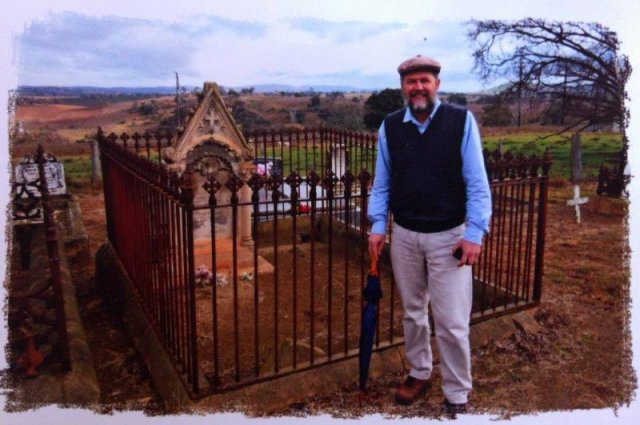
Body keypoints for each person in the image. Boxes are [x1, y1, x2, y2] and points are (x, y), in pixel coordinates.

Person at [367, 55, 491, 413]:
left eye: (424, 80)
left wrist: (475, 232)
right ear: (402, 87)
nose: (418, 87)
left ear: (437, 84)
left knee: (451, 321)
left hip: (449, 237)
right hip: (404, 235)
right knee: (413, 313)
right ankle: (419, 371)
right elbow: (382, 182)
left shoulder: (460, 122)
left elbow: (477, 184)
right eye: (411, 81)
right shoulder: (390, 127)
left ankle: (456, 393)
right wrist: (378, 226)